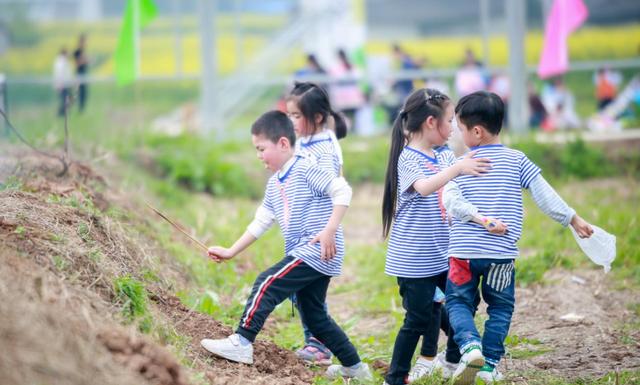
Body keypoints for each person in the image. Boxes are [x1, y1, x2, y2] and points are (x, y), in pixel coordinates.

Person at [201, 111, 372, 381]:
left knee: (267, 282)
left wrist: (329, 230)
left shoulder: (305, 168)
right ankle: (355, 367)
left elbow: (342, 190)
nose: (258, 155)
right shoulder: (275, 184)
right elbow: (261, 221)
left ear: (283, 143)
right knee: (315, 316)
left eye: (261, 148)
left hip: (316, 248)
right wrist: (231, 251)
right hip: (308, 252)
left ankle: (242, 341)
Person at [443, 91, 594, 384]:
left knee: (458, 302)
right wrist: (572, 218)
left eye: (460, 129)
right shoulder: (517, 160)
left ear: (476, 130)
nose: (459, 136)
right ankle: (488, 365)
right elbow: (544, 194)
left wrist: (480, 219)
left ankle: (470, 346)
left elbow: (451, 201)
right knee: (500, 307)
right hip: (500, 253)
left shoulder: (460, 164)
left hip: (463, 251)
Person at [380, 88, 493, 385]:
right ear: (431, 122)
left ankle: (452, 360)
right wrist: (457, 168)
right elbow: (425, 187)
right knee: (418, 319)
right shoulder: (409, 157)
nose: (453, 128)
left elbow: (455, 188)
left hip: (443, 253)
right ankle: (394, 379)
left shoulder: (443, 154)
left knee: (464, 304)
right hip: (414, 259)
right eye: (449, 121)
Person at [285, 81, 345, 365]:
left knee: (311, 296)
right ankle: (316, 341)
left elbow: (335, 190)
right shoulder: (309, 141)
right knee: (303, 294)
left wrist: (329, 229)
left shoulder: (323, 150)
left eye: (297, 116)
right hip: (304, 231)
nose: (291, 121)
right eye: (289, 115)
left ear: (317, 117)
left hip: (320, 233)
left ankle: (319, 344)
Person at [329, 49, 364, 127]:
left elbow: (334, 79)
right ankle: (352, 129)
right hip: (352, 96)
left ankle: (349, 129)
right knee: (351, 116)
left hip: (344, 97)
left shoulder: (338, 67)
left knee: (345, 116)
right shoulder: (352, 66)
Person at [52, 47, 73, 117]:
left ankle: (63, 113)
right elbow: (59, 73)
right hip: (62, 85)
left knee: (66, 100)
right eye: (67, 53)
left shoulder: (63, 61)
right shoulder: (60, 62)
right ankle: (61, 114)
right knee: (64, 100)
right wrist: (59, 84)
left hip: (66, 84)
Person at [73, 33, 89, 112]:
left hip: (84, 74)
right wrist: (85, 61)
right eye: (84, 41)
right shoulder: (77, 52)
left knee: (84, 93)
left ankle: (82, 109)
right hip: (79, 74)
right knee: (79, 92)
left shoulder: (83, 51)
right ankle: (79, 109)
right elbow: (77, 63)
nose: (85, 43)